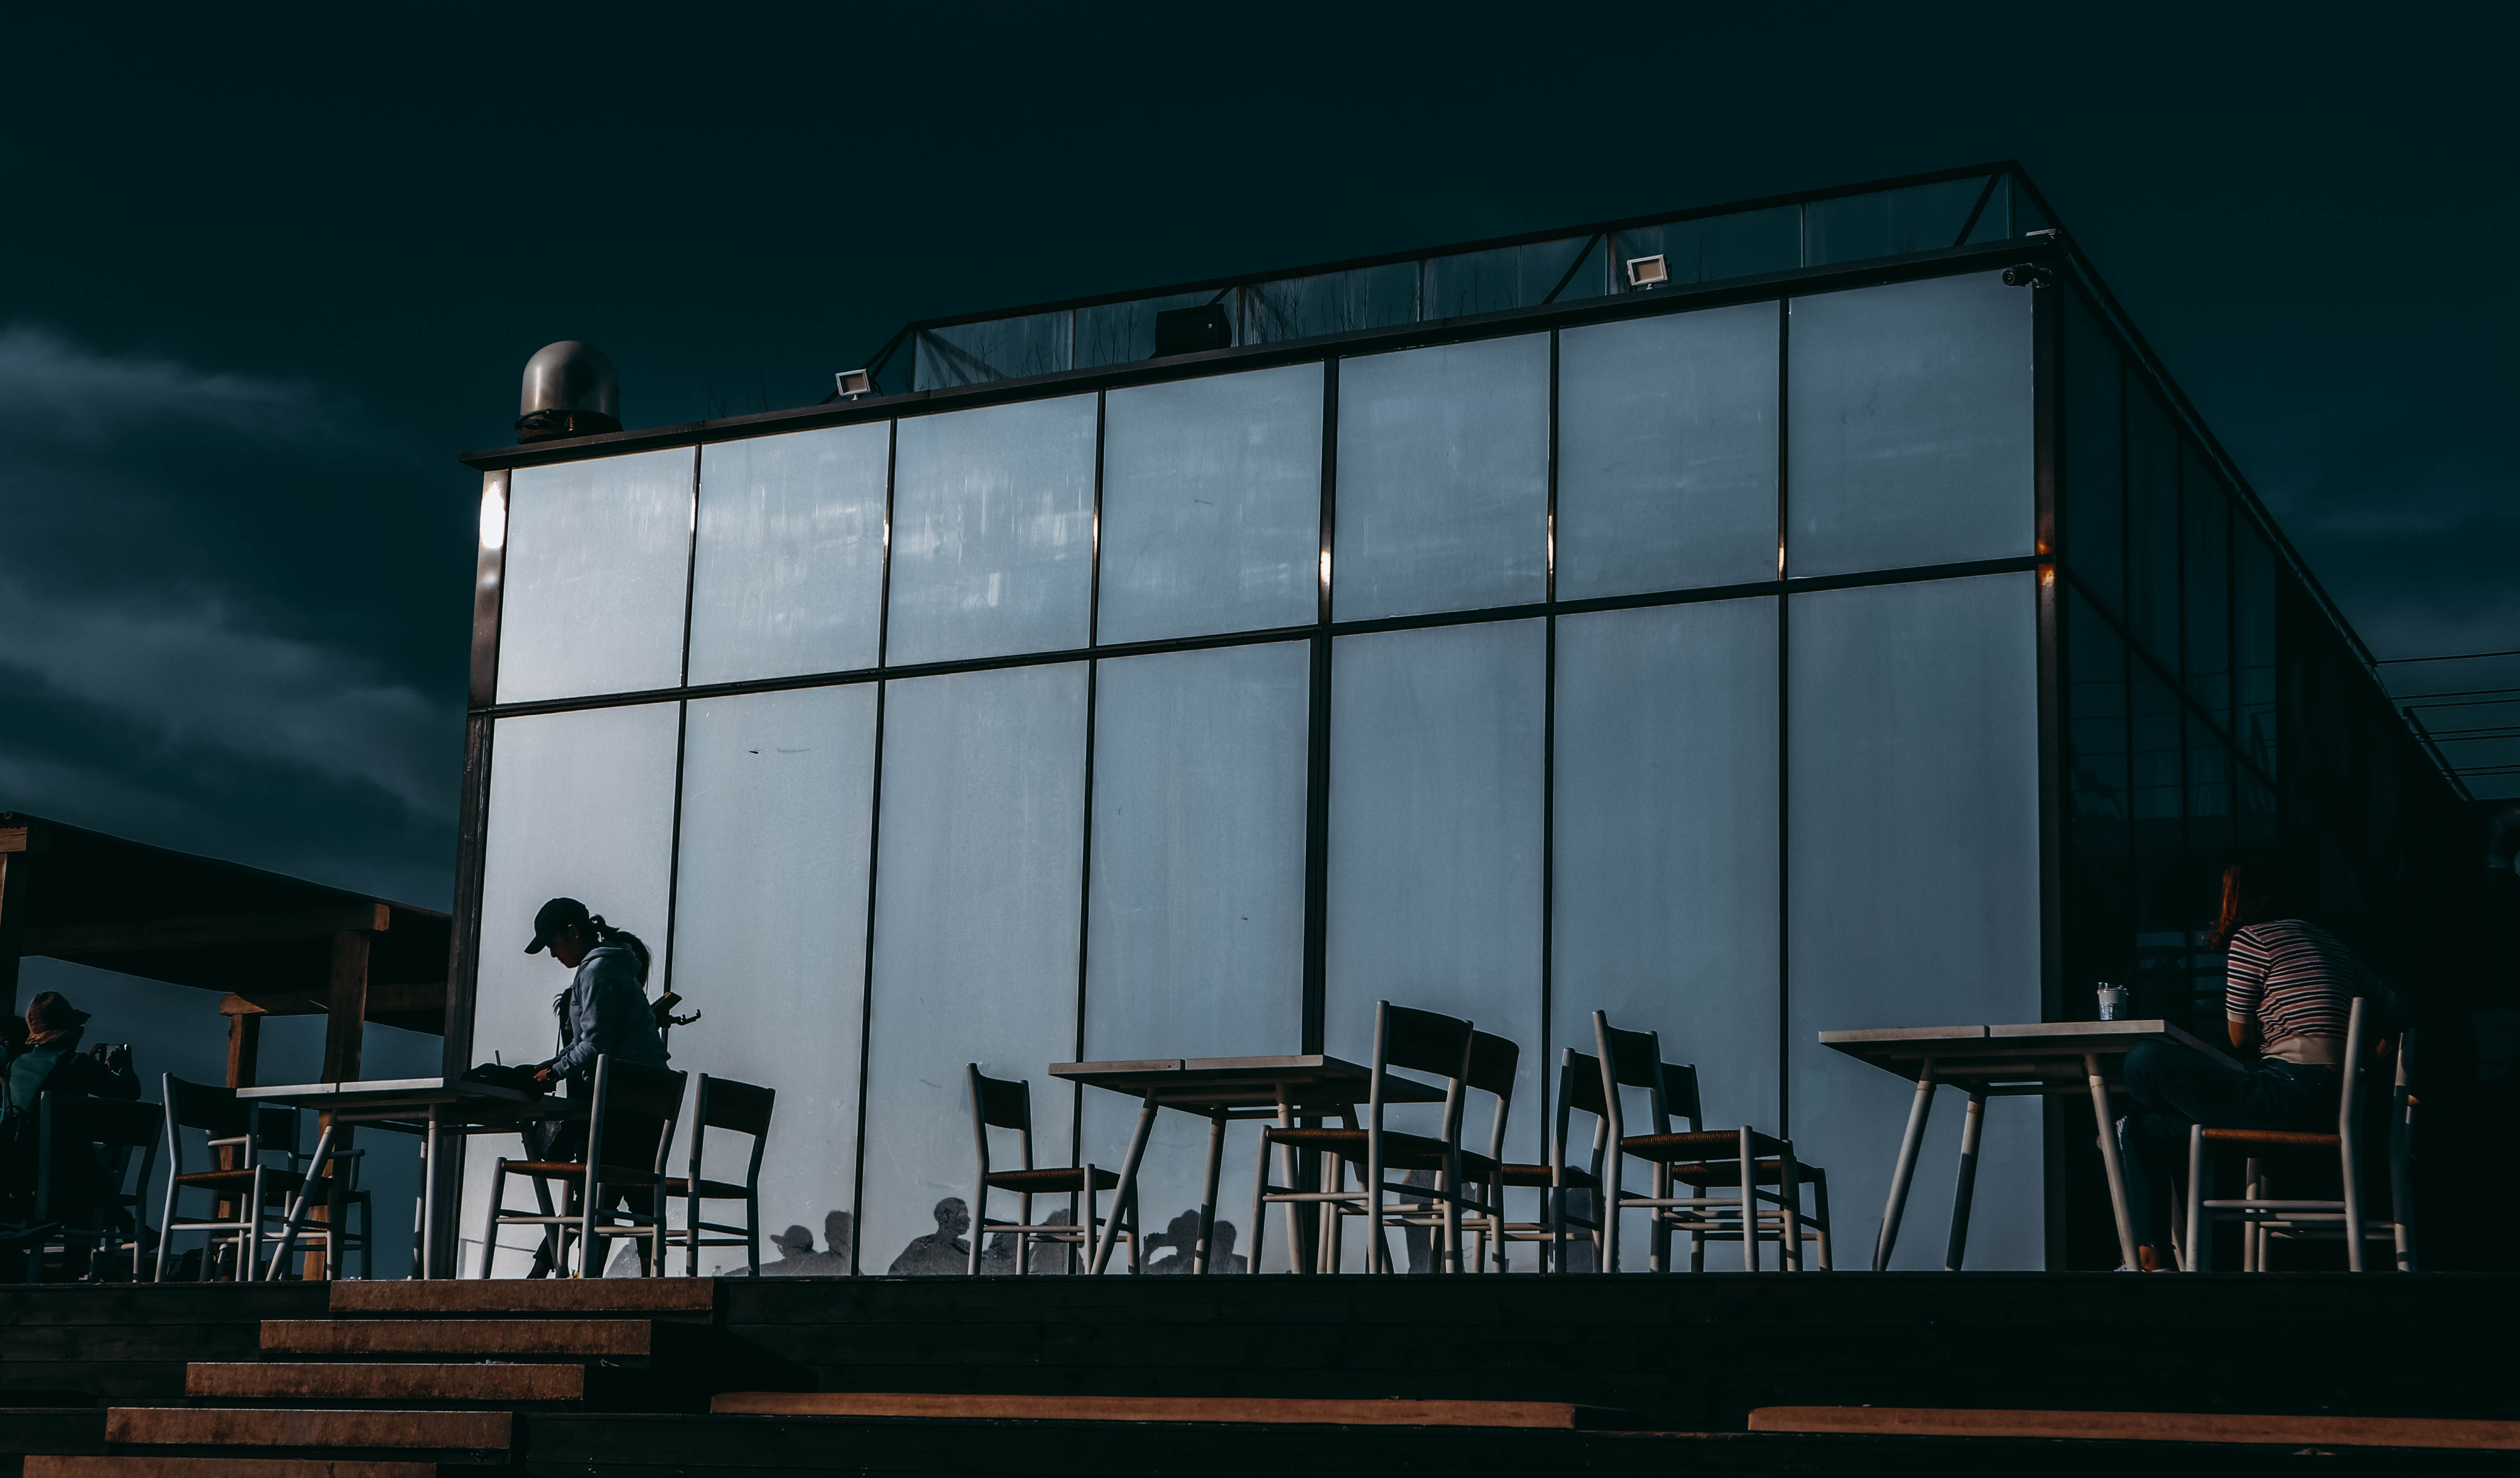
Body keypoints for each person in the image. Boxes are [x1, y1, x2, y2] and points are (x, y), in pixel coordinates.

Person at [2115, 864, 2397, 1272]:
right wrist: (2361, 1067)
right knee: (2139, 1128)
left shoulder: (2253, 939)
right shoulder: (2332, 945)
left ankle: (2154, 1257)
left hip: (2287, 1092)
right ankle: (2147, 1260)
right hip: (2340, 1108)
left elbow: (2239, 1037)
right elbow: (2397, 1013)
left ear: (2239, 900)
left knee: (2144, 1057)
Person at [519, 897, 670, 1275]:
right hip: (648, 1096)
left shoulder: (596, 972)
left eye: (553, 944)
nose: (553, 954)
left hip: (625, 1101)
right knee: (623, 1195)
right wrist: (553, 1065)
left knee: (596, 1192)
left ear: (573, 933)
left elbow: (595, 1043)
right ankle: (625, 1278)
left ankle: (551, 1274)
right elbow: (589, 1039)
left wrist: (552, 1074)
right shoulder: (616, 968)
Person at [2, 992, 141, 1223]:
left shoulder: (14, 1066)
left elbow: (49, 1082)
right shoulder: (79, 1066)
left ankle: (125, 1222)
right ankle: (124, 1225)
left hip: (21, 1174)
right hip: (68, 1175)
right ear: (72, 1032)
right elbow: (130, 1092)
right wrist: (125, 1068)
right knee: (90, 1169)